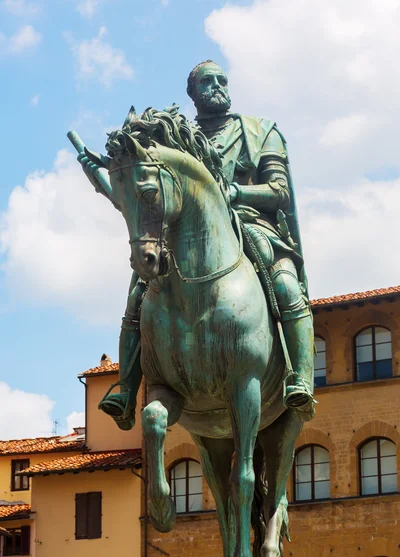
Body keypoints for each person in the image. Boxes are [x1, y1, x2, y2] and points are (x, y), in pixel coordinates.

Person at [78, 60, 315, 429]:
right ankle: (125, 389)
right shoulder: (172, 140)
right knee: (139, 293)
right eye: (207, 81)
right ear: (193, 93)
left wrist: (234, 191)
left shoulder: (259, 131)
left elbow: (279, 191)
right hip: (182, 237)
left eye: (222, 80)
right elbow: (144, 198)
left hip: (251, 225)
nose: (217, 86)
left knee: (285, 284)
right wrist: (102, 177)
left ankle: (299, 378)